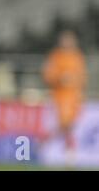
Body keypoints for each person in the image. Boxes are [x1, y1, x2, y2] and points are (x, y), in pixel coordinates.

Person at [42, 30, 87, 161]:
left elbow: (82, 76)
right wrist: (61, 78)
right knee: (66, 124)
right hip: (61, 96)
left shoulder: (77, 56)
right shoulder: (56, 56)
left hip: (74, 97)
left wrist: (79, 89)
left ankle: (45, 141)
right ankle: (69, 151)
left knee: (70, 125)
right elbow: (48, 75)